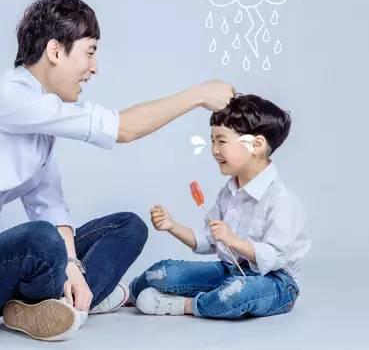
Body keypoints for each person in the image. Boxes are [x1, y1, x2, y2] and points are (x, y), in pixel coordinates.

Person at [0, 0, 235, 341]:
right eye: (90, 52)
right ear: (55, 51)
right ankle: (70, 300)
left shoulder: (40, 127)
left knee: (127, 227)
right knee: (41, 239)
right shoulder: (7, 95)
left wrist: (71, 266)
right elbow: (123, 129)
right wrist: (198, 95)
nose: (95, 68)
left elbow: (50, 206)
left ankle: (58, 304)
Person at [130, 94, 311, 319]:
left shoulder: (281, 200)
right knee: (164, 272)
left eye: (222, 141)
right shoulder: (229, 192)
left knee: (237, 293)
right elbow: (208, 240)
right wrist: (172, 226)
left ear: (256, 145)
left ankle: (185, 305)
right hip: (230, 270)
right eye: (212, 140)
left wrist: (233, 240)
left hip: (275, 282)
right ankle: (126, 295)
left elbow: (275, 257)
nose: (214, 150)